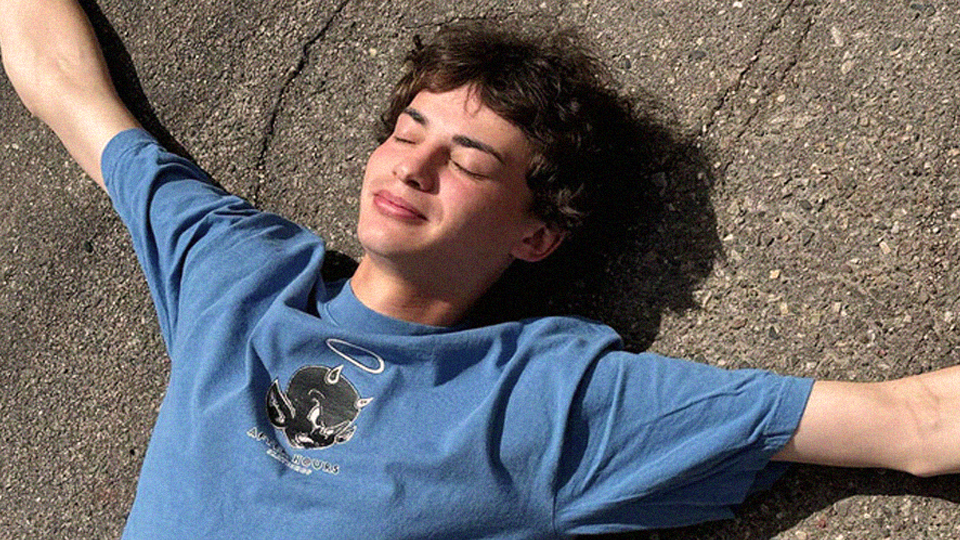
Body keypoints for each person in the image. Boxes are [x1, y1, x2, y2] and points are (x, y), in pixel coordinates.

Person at [2, 1, 958, 538]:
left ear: (536, 235)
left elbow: (912, 423)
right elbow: (68, 91)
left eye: (466, 160)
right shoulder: (239, 277)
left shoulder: (537, 402)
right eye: (407, 131)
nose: (411, 165)